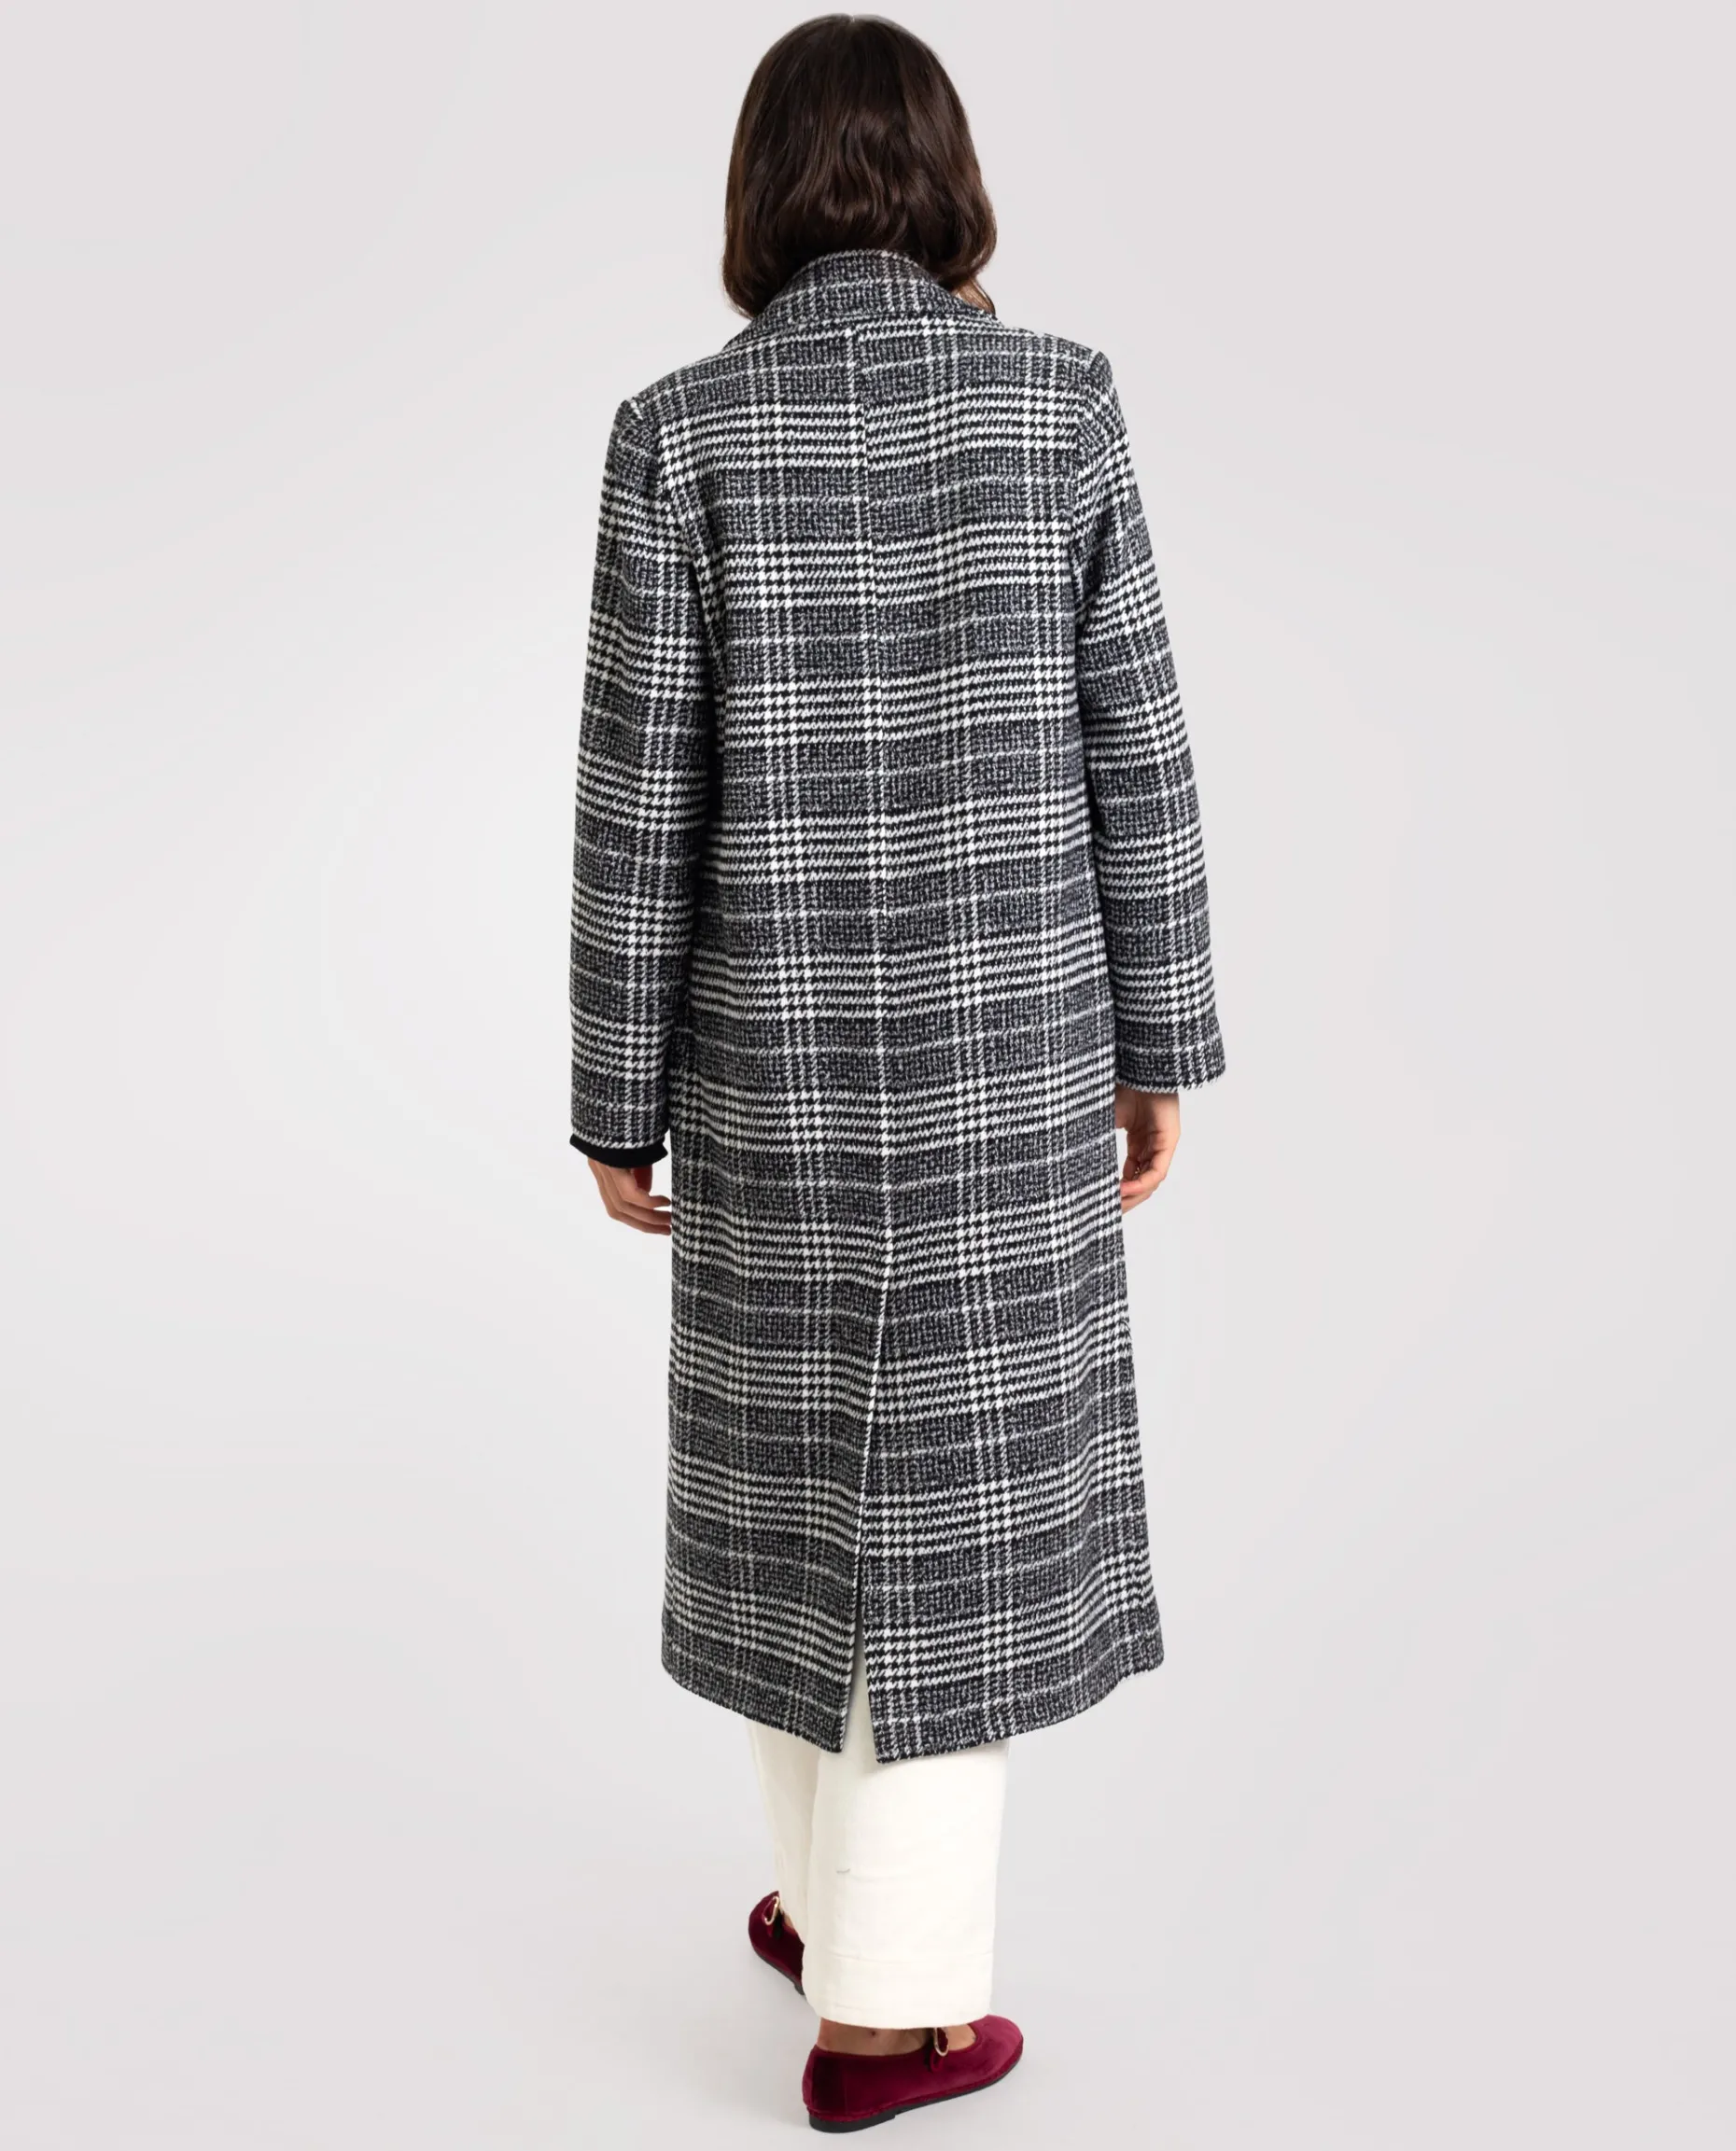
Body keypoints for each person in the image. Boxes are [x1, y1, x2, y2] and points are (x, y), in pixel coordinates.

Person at [568, 14, 1226, 2132]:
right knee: (954, 1531)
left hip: (769, 1076)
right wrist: (1160, 1044)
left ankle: (838, 1906)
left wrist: (614, 1099)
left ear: (758, 195)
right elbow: (1140, 753)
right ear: (950, 182)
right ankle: (890, 2018)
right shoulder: (1061, 406)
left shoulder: (679, 433)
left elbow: (634, 805)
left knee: (796, 1501)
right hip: (1011, 1073)